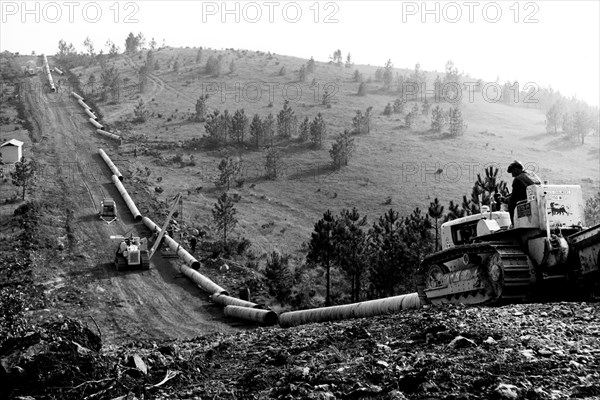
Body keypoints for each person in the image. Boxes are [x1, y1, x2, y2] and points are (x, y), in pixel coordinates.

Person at [504, 160, 541, 224]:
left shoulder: (518, 179)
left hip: (527, 201)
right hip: (538, 198)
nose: (512, 175)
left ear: (516, 169)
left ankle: (514, 224)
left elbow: (514, 197)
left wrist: (505, 199)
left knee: (511, 204)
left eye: (512, 172)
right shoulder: (532, 174)